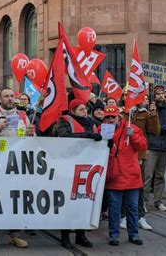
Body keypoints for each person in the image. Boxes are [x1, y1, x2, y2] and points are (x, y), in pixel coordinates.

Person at [0, 87, 32, 248]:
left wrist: (31, 134)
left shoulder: (23, 116)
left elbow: (30, 141)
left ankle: (15, 235)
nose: (10, 98)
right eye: (6, 96)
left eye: (12, 96)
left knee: (16, 199)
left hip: (17, 166)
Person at [52, 99, 102, 248]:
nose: (84, 111)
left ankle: (81, 235)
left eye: (85, 109)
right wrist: (88, 137)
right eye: (80, 109)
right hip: (67, 167)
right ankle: (65, 236)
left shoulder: (92, 123)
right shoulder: (63, 122)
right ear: (72, 110)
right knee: (68, 203)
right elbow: (64, 138)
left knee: (83, 201)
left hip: (86, 168)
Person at [104, 106, 147, 246]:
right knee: (114, 208)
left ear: (119, 117)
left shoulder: (131, 128)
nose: (111, 119)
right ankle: (114, 235)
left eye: (113, 117)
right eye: (108, 117)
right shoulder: (103, 130)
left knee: (132, 208)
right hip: (114, 175)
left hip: (130, 175)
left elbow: (142, 146)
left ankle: (133, 234)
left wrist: (133, 135)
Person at [119, 98, 160, 230]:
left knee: (139, 187)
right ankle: (124, 216)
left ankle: (140, 216)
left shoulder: (146, 113)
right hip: (123, 155)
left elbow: (155, 131)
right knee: (124, 186)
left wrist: (154, 115)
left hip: (139, 155)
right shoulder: (123, 114)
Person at [143, 85, 166, 212]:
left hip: (165, 146)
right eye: (158, 93)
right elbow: (149, 128)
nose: (161, 95)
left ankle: (158, 201)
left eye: (163, 93)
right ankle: (144, 201)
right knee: (148, 175)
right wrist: (159, 128)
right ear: (154, 95)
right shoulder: (150, 108)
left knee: (160, 176)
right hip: (152, 146)